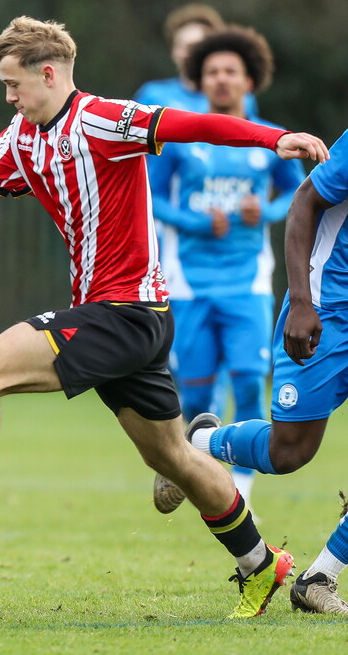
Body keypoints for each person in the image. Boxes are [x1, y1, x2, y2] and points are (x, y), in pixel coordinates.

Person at [0, 16, 329, 619]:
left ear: (48, 74)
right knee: (172, 457)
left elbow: (195, 124)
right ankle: (260, 564)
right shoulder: (23, 136)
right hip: (122, 318)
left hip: (127, 311)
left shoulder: (103, 119)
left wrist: (275, 139)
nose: (7, 97)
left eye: (13, 84)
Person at [155, 130, 348, 615]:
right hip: (330, 310)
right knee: (289, 452)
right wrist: (302, 301)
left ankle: (319, 577)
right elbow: (303, 200)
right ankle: (196, 444)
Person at [148, 26, 304, 514]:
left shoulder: (271, 138)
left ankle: (241, 496)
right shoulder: (180, 138)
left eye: (230, 71)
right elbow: (150, 197)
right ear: (200, 80)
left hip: (247, 281)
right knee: (195, 396)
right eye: (212, 71)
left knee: (249, 382)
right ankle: (197, 470)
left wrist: (266, 211)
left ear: (248, 80)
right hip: (188, 283)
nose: (220, 79)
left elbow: (297, 193)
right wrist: (194, 221)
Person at [135, 4, 257, 420]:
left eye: (199, 44)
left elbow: (255, 158)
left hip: (227, 249)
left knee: (227, 361)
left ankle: (213, 437)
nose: (191, 51)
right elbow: (144, 175)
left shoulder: (236, 97)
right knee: (178, 357)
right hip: (168, 241)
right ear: (174, 51)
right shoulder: (155, 97)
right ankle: (192, 429)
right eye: (183, 45)